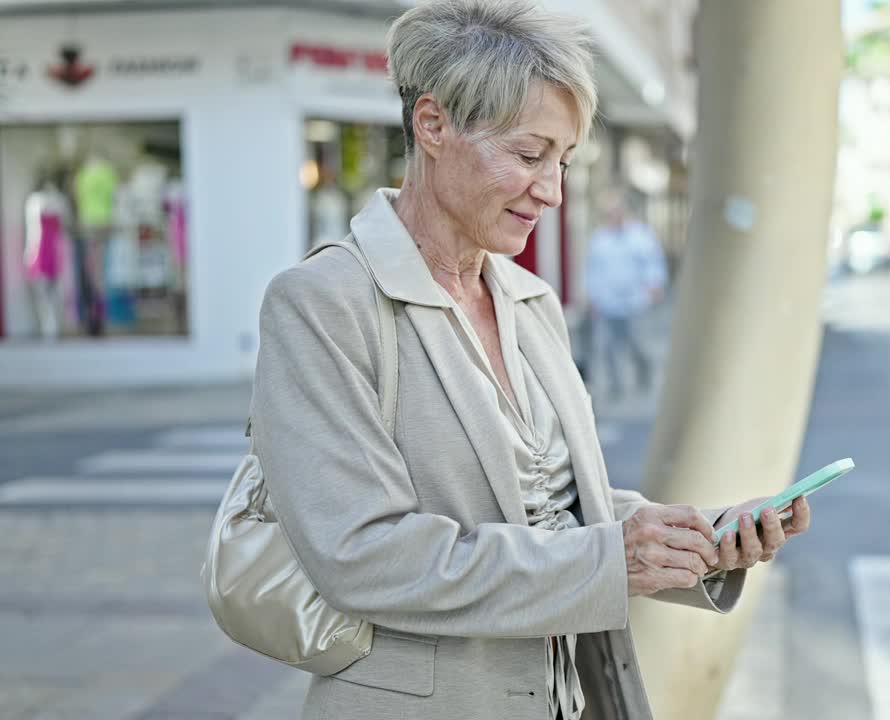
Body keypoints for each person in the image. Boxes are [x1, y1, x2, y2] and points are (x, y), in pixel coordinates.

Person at [250, 2, 811, 719]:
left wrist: (695, 539)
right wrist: (614, 559)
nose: (551, 190)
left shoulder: (529, 300)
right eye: (527, 155)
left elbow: (550, 505)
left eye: (564, 162)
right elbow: (363, 555)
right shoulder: (321, 304)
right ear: (434, 125)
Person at [585, 191, 668, 400]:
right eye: (610, 212)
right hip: (608, 302)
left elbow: (653, 263)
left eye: (617, 211)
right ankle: (617, 387)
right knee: (610, 347)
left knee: (638, 343)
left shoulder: (640, 236)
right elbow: (592, 270)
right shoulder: (600, 239)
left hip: (635, 301)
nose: (614, 215)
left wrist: (655, 286)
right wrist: (592, 297)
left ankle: (645, 378)